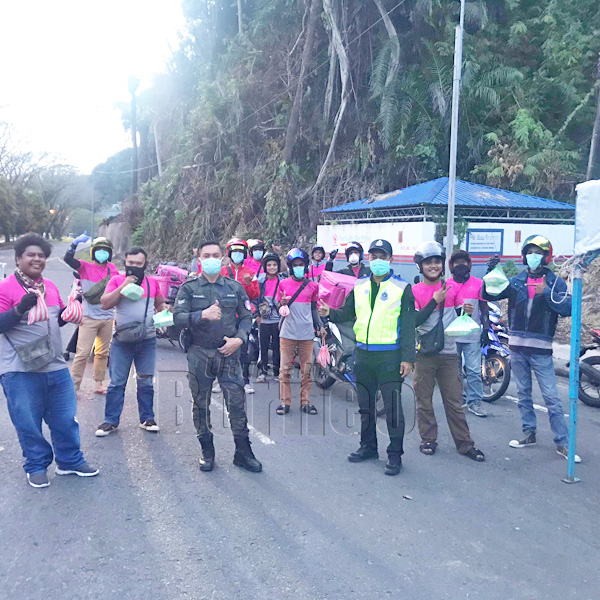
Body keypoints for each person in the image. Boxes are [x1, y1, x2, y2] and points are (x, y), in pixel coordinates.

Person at [0, 233, 99, 488]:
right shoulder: (5, 288)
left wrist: (70, 310)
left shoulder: (50, 287)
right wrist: (19, 309)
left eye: (41, 256)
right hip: (19, 369)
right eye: (31, 255)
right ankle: (35, 465)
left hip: (55, 365)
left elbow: (54, 321)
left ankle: (69, 461)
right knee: (28, 422)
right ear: (18, 259)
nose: (37, 259)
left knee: (65, 418)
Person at [319, 239, 415, 476]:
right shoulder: (359, 286)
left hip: (390, 356)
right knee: (366, 406)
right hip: (363, 355)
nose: (377, 261)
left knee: (393, 408)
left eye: (382, 256)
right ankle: (368, 447)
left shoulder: (401, 288)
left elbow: (409, 326)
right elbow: (347, 313)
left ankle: (395, 455)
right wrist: (329, 312)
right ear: (368, 259)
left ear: (390, 259)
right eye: (373, 257)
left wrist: (407, 358)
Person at [482, 235, 579, 462]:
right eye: (530, 252)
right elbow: (490, 294)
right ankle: (529, 433)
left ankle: (563, 443)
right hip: (517, 347)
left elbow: (567, 308)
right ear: (524, 256)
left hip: (541, 349)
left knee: (551, 398)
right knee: (523, 393)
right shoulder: (516, 281)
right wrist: (490, 273)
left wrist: (546, 292)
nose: (533, 256)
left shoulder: (555, 283)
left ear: (546, 256)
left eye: (538, 252)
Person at [173, 241, 262, 473]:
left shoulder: (234, 287)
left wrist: (239, 339)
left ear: (222, 259)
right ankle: (207, 451)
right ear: (199, 260)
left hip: (229, 352)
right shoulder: (189, 288)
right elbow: (178, 318)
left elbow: (246, 316)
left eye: (215, 255)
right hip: (199, 352)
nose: (211, 258)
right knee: (200, 404)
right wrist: (201, 314)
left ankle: (243, 452)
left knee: (237, 402)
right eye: (206, 255)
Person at [412, 241, 485, 462]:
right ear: (420, 266)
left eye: (437, 262)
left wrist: (465, 312)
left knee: (454, 401)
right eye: (428, 262)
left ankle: (465, 444)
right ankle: (428, 439)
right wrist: (434, 301)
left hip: (449, 354)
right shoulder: (414, 290)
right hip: (423, 354)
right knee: (424, 400)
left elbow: (454, 319)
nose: (433, 266)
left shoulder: (451, 288)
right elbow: (414, 321)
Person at [94, 247, 167, 437]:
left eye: (138, 264)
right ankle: (110, 421)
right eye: (130, 263)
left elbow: (159, 304)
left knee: (146, 381)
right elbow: (105, 303)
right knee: (117, 383)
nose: (134, 267)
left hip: (147, 340)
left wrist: (165, 310)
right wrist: (123, 285)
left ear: (145, 265)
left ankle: (147, 418)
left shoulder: (152, 283)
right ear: (125, 263)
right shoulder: (116, 280)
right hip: (122, 340)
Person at [64, 235, 119, 395]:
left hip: (108, 317)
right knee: (82, 353)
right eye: (99, 250)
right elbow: (68, 258)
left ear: (110, 253)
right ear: (93, 252)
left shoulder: (113, 269)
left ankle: (99, 383)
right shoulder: (84, 267)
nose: (102, 253)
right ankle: (73, 386)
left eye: (105, 251)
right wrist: (74, 244)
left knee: (102, 353)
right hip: (88, 318)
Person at [275, 248, 323, 415]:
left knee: (307, 371)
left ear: (306, 266)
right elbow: (277, 307)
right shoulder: (283, 284)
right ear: (289, 267)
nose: (298, 267)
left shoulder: (313, 286)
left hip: (307, 334)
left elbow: (314, 309)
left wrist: (321, 326)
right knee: (285, 370)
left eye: (301, 265)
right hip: (287, 333)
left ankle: (305, 402)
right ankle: (285, 403)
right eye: (295, 265)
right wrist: (281, 303)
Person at [446, 249, 489, 418]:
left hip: (472, 335)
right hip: (452, 336)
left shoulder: (479, 284)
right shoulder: (447, 284)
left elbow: (484, 307)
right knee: (454, 371)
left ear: (469, 265)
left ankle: (475, 402)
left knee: (473, 370)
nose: (461, 265)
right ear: (451, 266)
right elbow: (445, 311)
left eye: (464, 262)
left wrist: (486, 328)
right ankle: (458, 399)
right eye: (457, 262)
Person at [221, 237, 260, 393]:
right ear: (229, 253)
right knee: (222, 346)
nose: (237, 255)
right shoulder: (222, 271)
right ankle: (221, 379)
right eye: (234, 252)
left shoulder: (250, 273)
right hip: (225, 316)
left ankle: (244, 380)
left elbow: (254, 295)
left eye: (240, 252)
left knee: (243, 348)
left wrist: (249, 283)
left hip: (243, 316)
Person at [256, 252, 282, 383]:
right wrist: (256, 315)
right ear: (265, 266)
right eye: (269, 265)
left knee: (278, 346)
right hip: (264, 318)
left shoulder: (282, 280)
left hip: (278, 319)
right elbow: (255, 298)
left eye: (274, 265)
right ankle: (262, 371)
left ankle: (277, 372)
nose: (272, 267)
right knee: (263, 346)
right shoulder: (260, 280)